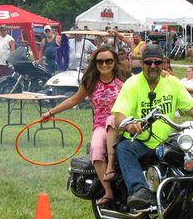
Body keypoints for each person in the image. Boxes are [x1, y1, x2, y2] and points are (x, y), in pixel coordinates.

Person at [112, 44, 193, 209]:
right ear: (141, 63)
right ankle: (140, 190)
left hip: (164, 141)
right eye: (148, 62)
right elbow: (119, 115)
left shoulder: (172, 83)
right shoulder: (132, 84)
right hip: (139, 141)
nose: (153, 66)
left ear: (163, 63)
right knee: (125, 148)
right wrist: (130, 126)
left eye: (157, 62)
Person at [41, 45, 128, 205]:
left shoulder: (123, 84)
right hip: (101, 126)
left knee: (112, 119)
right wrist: (51, 112)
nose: (104, 65)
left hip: (121, 124)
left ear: (114, 62)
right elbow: (74, 99)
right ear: (95, 63)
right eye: (100, 61)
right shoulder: (91, 82)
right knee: (95, 148)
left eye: (108, 61)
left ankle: (111, 166)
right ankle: (108, 191)